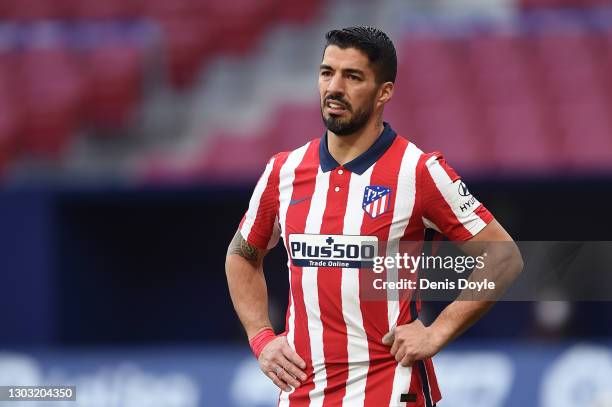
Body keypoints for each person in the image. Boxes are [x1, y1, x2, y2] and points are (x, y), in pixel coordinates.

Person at [225, 26, 523, 407]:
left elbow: (503, 256)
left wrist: (437, 332)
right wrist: (261, 337)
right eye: (326, 72)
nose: (334, 87)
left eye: (352, 77)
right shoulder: (284, 171)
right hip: (303, 394)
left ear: (384, 92)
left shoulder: (418, 171)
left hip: (389, 390)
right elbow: (242, 255)